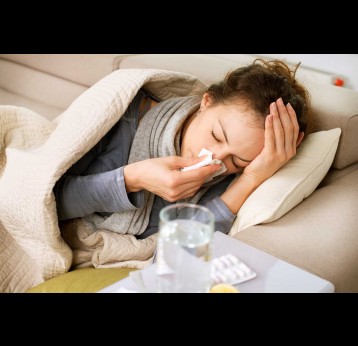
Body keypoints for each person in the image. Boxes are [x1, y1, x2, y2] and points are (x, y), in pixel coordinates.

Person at [54, 59, 311, 239]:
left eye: (238, 159)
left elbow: (183, 252)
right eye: (216, 135)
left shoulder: (228, 177)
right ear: (206, 102)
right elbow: (48, 201)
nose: (213, 160)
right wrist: (133, 178)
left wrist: (251, 178)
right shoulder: (120, 116)